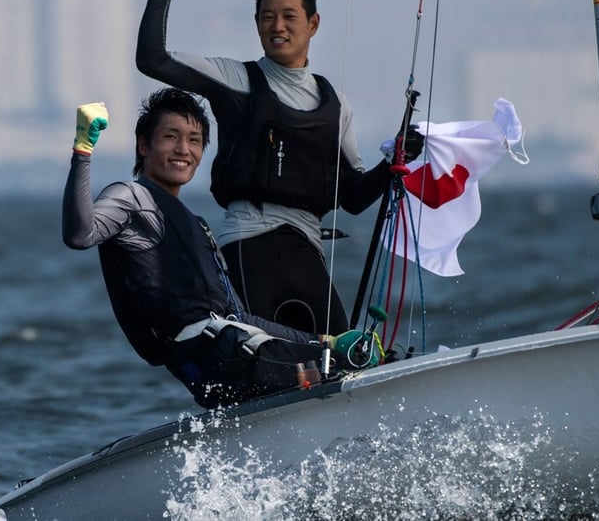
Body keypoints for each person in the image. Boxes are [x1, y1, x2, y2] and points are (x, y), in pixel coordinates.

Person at [135, 0, 424, 337]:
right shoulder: (236, 79)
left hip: (307, 251)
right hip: (248, 247)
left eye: (289, 15)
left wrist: (394, 163)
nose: (277, 26)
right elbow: (152, 58)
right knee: (270, 356)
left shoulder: (336, 105)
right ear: (256, 24)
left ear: (313, 24)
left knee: (341, 355)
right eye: (267, 17)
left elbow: (354, 197)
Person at [62, 88, 376, 409]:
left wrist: (324, 340)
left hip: (234, 354)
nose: (183, 149)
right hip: (217, 359)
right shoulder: (131, 197)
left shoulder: (196, 225)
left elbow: (239, 317)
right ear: (144, 145)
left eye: (195, 140)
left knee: (345, 355)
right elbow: (80, 233)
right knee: (347, 364)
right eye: (171, 136)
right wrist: (83, 149)